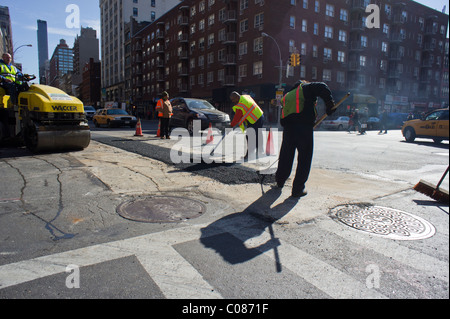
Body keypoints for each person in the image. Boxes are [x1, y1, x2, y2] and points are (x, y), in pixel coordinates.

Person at [275, 80, 335, 198]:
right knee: (304, 159)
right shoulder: (305, 88)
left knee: (286, 156)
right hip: (304, 128)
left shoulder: (287, 96)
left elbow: (283, 117)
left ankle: (280, 180)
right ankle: (298, 189)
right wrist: (330, 104)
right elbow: (322, 86)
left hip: (288, 129)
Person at [229, 91, 265, 160]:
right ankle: (258, 152)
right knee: (256, 135)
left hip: (255, 119)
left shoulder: (241, 105)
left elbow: (237, 118)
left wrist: (231, 126)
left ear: (236, 97)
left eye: (233, 99)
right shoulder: (245, 96)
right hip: (259, 115)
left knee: (250, 136)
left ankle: (251, 154)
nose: (232, 101)